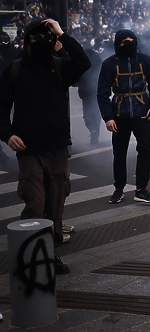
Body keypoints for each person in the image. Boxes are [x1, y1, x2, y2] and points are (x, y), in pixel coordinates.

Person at [0, 19, 90, 274]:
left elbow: (84, 63)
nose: (42, 43)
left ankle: (49, 255)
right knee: (35, 203)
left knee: (56, 205)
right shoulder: (14, 70)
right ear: (26, 42)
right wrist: (7, 134)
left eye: (47, 38)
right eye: (36, 38)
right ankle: (30, 254)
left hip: (58, 147)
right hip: (29, 149)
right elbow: (1, 107)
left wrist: (63, 35)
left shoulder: (60, 67)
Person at [97, 29, 150, 204]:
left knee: (145, 150)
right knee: (119, 153)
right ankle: (119, 188)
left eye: (132, 40)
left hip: (142, 113)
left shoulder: (144, 60)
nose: (129, 43)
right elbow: (102, 94)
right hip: (119, 115)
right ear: (118, 43)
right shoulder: (109, 64)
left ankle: (141, 189)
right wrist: (108, 118)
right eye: (125, 40)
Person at [78, 38, 103, 144]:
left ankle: (92, 130)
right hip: (97, 89)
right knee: (97, 113)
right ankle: (96, 132)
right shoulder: (97, 58)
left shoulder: (82, 60)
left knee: (87, 113)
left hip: (86, 91)